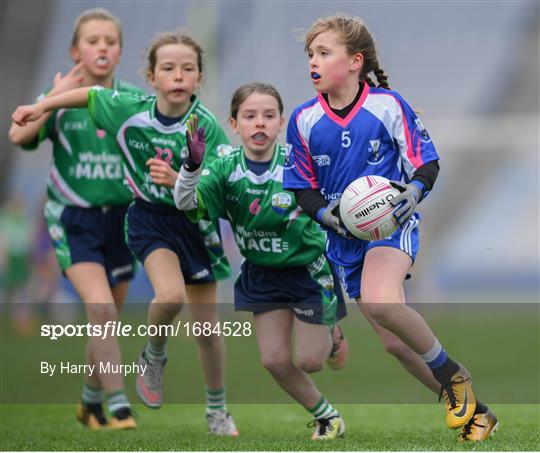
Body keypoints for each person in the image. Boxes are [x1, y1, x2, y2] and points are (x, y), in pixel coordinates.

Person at [11, 30, 239, 437]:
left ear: (199, 77)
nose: (178, 74)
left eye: (188, 68)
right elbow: (88, 97)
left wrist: (181, 180)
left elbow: (220, 186)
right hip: (149, 221)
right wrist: (41, 104)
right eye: (168, 67)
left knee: (207, 330)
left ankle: (217, 410)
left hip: (195, 224)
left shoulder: (205, 126)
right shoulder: (130, 109)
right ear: (152, 78)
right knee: (168, 296)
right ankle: (153, 355)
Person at [282, 15, 498, 442]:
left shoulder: (387, 105)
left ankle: (455, 376)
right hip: (343, 239)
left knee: (383, 303)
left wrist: (413, 194)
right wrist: (328, 216)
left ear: (355, 61)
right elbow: (301, 188)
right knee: (396, 344)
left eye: (324, 53)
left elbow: (427, 163)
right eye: (310, 54)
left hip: (391, 226)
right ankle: (479, 414)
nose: (314, 61)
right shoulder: (304, 119)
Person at [158, 82, 348, 440]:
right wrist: (191, 166)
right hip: (261, 273)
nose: (259, 123)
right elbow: (186, 204)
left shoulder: (298, 165)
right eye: (250, 116)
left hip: (307, 271)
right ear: (235, 124)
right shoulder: (224, 168)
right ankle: (328, 418)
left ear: (280, 124)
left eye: (268, 116)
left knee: (311, 361)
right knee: (273, 360)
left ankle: (332, 333)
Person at [9, 8, 142, 430]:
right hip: (74, 221)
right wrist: (53, 97)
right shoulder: (58, 100)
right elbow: (18, 134)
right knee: (101, 310)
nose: (102, 47)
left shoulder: (129, 100)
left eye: (110, 41)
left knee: (107, 320)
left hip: (122, 221)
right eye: (93, 40)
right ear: (74, 50)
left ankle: (89, 401)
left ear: (120, 51)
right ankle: (119, 403)